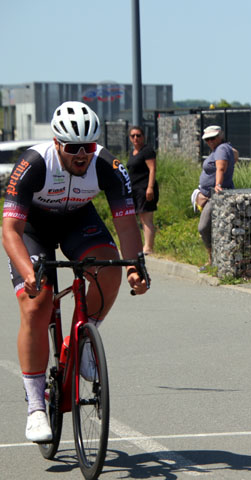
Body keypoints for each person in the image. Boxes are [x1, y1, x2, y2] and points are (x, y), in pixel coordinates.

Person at [2, 101, 148, 442]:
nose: (82, 155)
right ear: (57, 143)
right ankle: (36, 406)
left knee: (109, 267)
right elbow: (9, 230)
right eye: (72, 148)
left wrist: (135, 268)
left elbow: (126, 227)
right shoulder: (33, 164)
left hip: (77, 220)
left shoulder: (109, 166)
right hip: (32, 229)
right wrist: (28, 273)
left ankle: (83, 340)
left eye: (88, 146)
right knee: (37, 305)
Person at [197, 125, 235, 270]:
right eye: (207, 139)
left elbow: (221, 167)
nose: (210, 141)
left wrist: (218, 184)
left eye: (213, 138)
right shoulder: (224, 148)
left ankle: (212, 258)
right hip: (209, 194)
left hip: (217, 195)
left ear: (220, 136)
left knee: (203, 227)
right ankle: (214, 258)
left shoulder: (221, 149)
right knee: (213, 228)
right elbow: (234, 156)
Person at [127, 126, 158, 255]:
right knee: (139, 218)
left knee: (146, 218)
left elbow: (152, 169)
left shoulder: (147, 151)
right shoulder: (133, 152)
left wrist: (150, 188)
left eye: (138, 135)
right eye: (133, 136)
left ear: (143, 137)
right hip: (135, 190)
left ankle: (148, 247)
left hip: (145, 189)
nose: (136, 138)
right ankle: (142, 245)